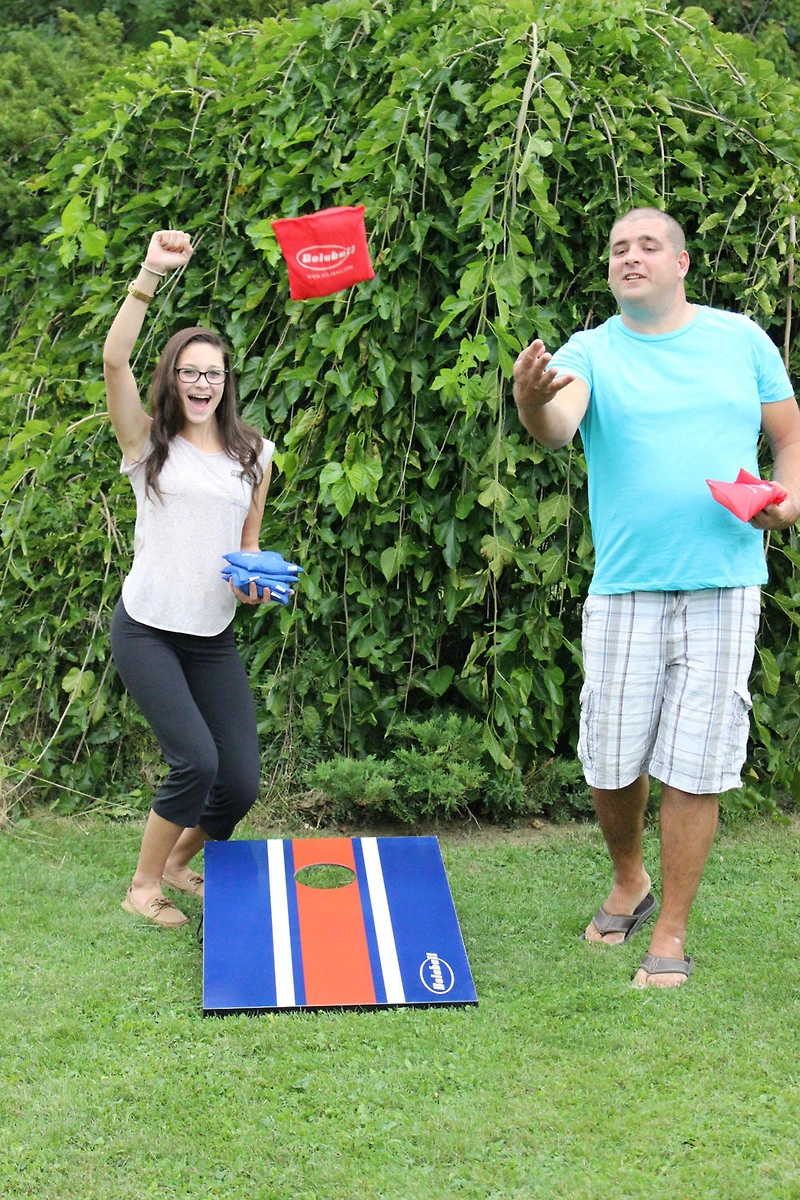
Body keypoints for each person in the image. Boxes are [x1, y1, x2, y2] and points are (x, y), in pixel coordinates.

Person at [513, 207, 800, 987]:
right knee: (610, 757)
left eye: (647, 246)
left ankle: (670, 930)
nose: (630, 257)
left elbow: (789, 438)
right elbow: (557, 426)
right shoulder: (591, 351)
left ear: (681, 263)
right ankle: (629, 879)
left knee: (696, 764)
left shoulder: (741, 339)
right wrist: (531, 399)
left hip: (723, 583)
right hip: (626, 585)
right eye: (618, 249)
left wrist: (788, 503)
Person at [104, 229, 277, 928]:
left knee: (239, 781)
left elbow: (247, 548)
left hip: (211, 635)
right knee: (196, 762)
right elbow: (114, 358)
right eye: (190, 372)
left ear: (226, 382)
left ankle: (180, 862)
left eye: (214, 373)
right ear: (172, 378)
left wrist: (251, 586)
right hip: (147, 628)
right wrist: (150, 273)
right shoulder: (147, 442)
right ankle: (143, 885)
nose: (203, 384)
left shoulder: (255, 454)